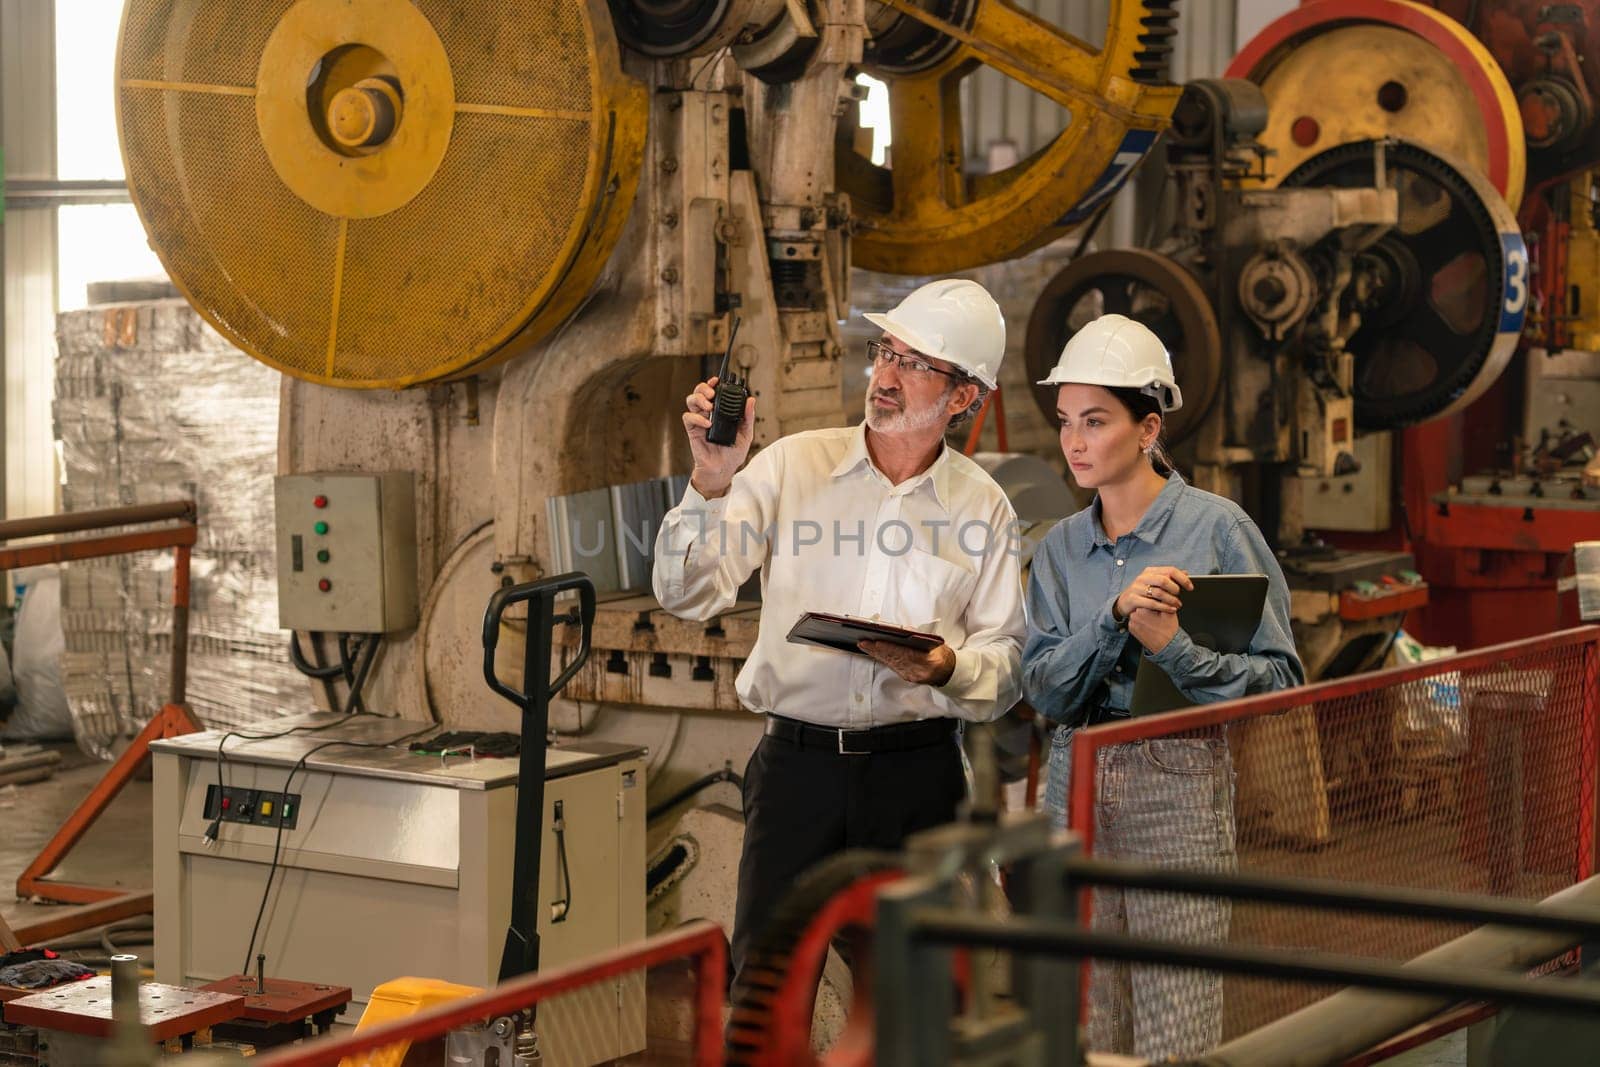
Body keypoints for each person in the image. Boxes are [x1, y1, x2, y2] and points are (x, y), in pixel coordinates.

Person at [652, 279, 1027, 999]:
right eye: (885, 351)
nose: (884, 377)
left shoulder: (984, 507)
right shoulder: (792, 466)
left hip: (919, 781)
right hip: (798, 773)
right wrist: (710, 480)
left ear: (964, 397)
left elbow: (1006, 663)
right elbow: (686, 592)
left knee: (921, 1004)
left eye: (914, 364)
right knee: (765, 996)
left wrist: (948, 666)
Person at [1021, 313, 1304, 1059]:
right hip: (1073, 780)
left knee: (1174, 1020)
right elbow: (1045, 689)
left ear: (1148, 428)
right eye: (1065, 422)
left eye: (1096, 420)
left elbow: (1281, 679)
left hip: (1175, 778)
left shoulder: (1217, 531)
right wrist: (1113, 617)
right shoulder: (1060, 550)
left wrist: (1175, 650)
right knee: (1082, 1018)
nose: (1075, 441)